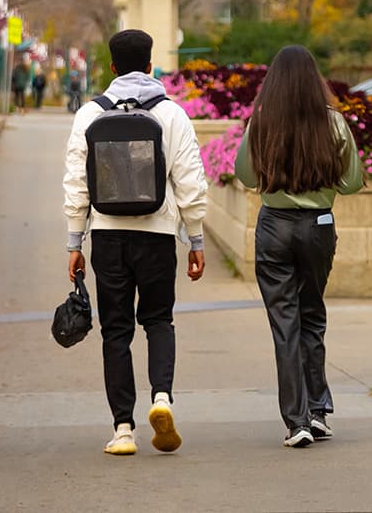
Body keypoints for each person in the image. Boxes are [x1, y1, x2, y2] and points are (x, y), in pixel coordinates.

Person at [63, 29, 209, 456]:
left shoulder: (89, 115)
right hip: (158, 234)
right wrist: (195, 238)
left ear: (112, 68)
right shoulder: (172, 114)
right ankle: (161, 397)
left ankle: (123, 429)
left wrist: (75, 241)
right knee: (159, 320)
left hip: (108, 236)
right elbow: (190, 181)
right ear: (150, 65)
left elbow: (76, 182)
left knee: (116, 330)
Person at [233, 45, 364, 448]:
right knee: (312, 316)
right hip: (318, 225)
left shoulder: (262, 121)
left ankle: (297, 420)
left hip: (275, 225)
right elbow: (351, 182)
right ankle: (319, 410)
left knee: (284, 323)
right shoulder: (334, 122)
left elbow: (245, 176)